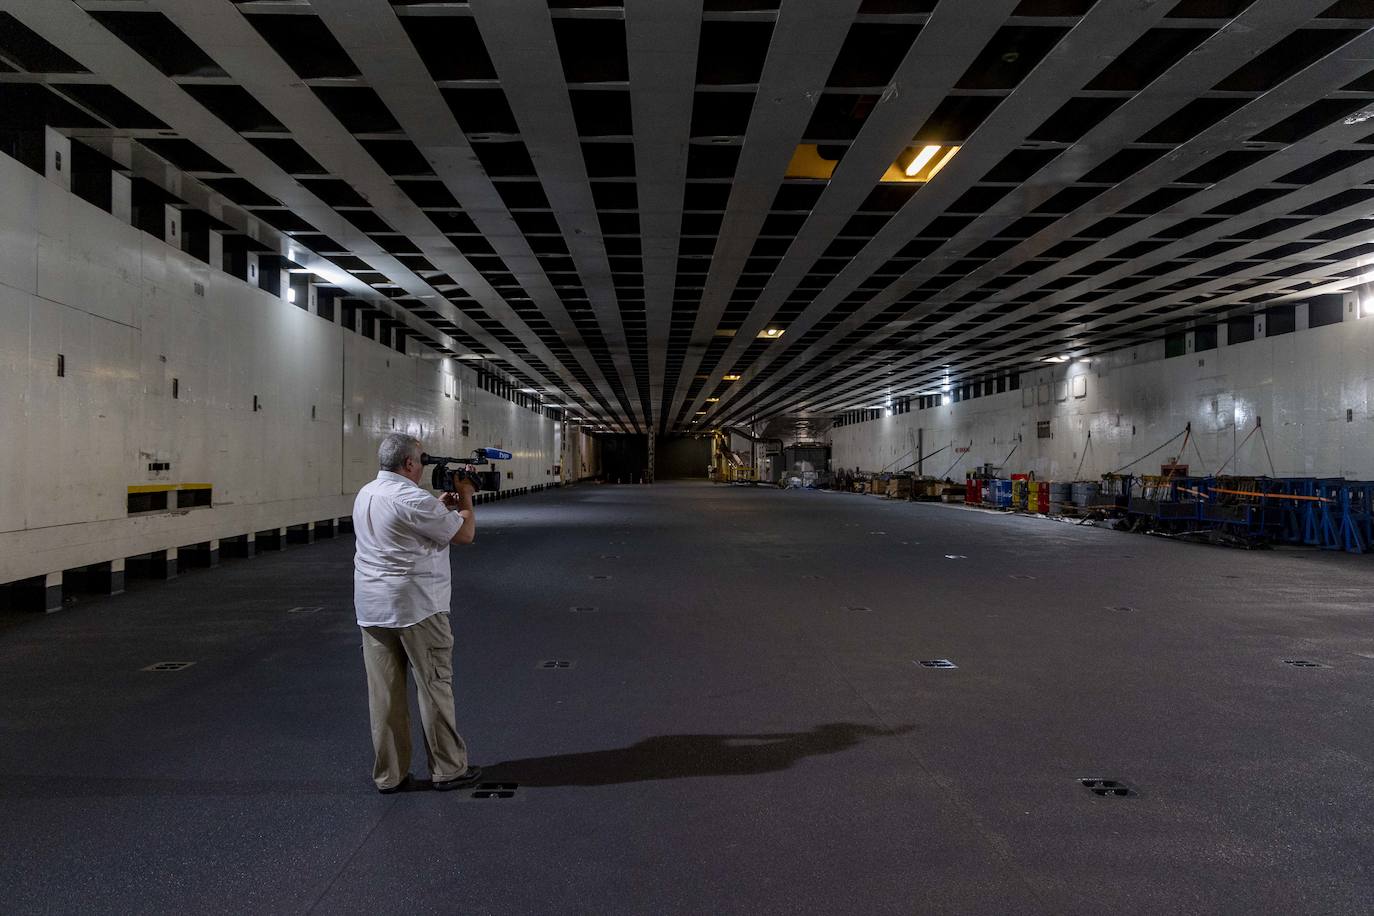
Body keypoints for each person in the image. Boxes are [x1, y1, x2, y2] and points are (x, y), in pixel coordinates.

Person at [352, 432, 482, 794]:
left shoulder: (367, 493)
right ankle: (448, 768)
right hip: (417, 607)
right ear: (408, 464)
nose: (424, 466)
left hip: (371, 609)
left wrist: (439, 505)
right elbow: (464, 534)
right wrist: (466, 498)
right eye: (422, 460)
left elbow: (406, 528)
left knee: (385, 697)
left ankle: (389, 775)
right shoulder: (412, 498)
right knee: (435, 687)